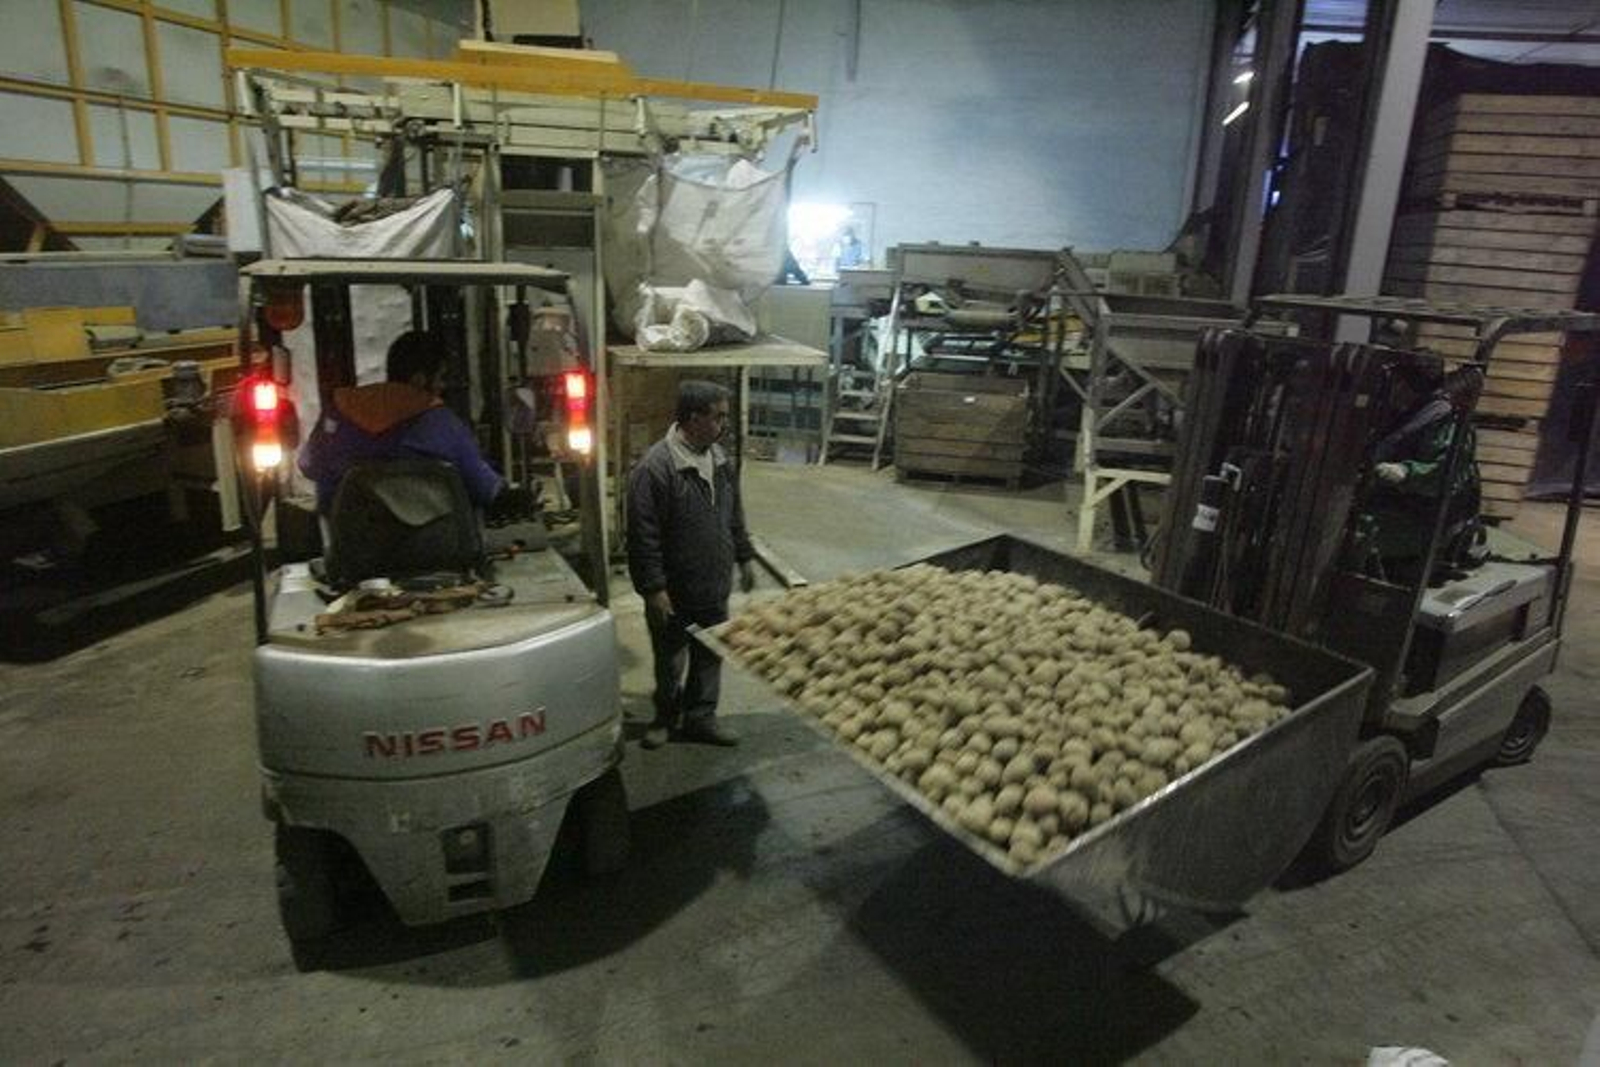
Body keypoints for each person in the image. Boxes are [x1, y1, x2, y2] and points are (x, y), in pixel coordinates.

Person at [627, 380, 757, 749]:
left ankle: (701, 718)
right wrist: (653, 589)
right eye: (718, 417)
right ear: (693, 418)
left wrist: (744, 556)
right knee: (669, 661)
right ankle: (664, 719)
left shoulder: (720, 459)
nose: (724, 425)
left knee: (709, 654)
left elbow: (734, 514)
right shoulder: (655, 469)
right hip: (674, 589)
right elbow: (642, 536)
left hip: (713, 583)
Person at [300, 330, 505, 513]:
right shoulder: (442, 423)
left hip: (354, 549)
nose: (443, 386)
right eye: (441, 377)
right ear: (419, 380)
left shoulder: (339, 413)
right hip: (432, 550)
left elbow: (309, 465)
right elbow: (484, 490)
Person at [1365, 360, 1486, 582]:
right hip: (1389, 502)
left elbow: (1443, 475)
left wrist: (1405, 472)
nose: (1393, 389)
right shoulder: (1400, 412)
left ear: (1413, 386)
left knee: (1352, 532)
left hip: (1418, 517)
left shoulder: (1445, 420)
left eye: (1398, 384)